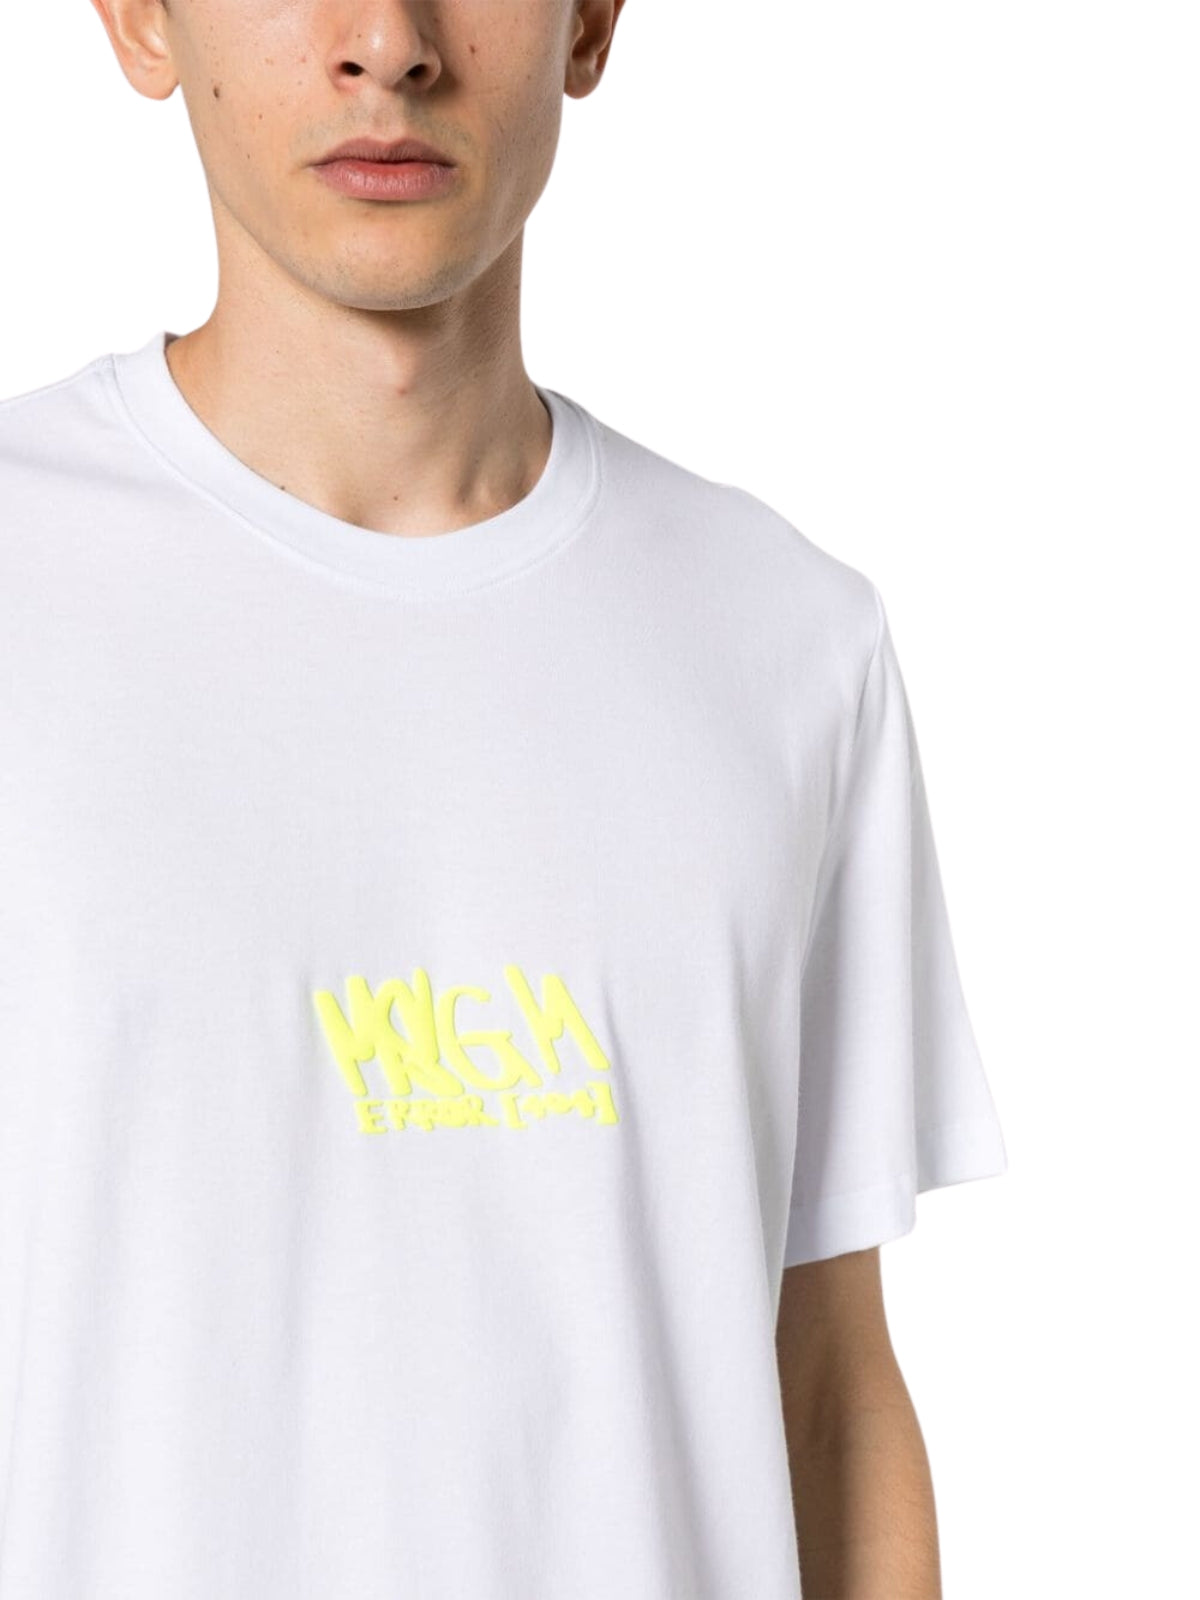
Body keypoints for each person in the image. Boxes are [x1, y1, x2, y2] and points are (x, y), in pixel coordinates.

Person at [0, 2, 1007, 1596]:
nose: (388, 42)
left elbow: (828, 1390)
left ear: (591, 21)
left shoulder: (788, 645)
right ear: (138, 19)